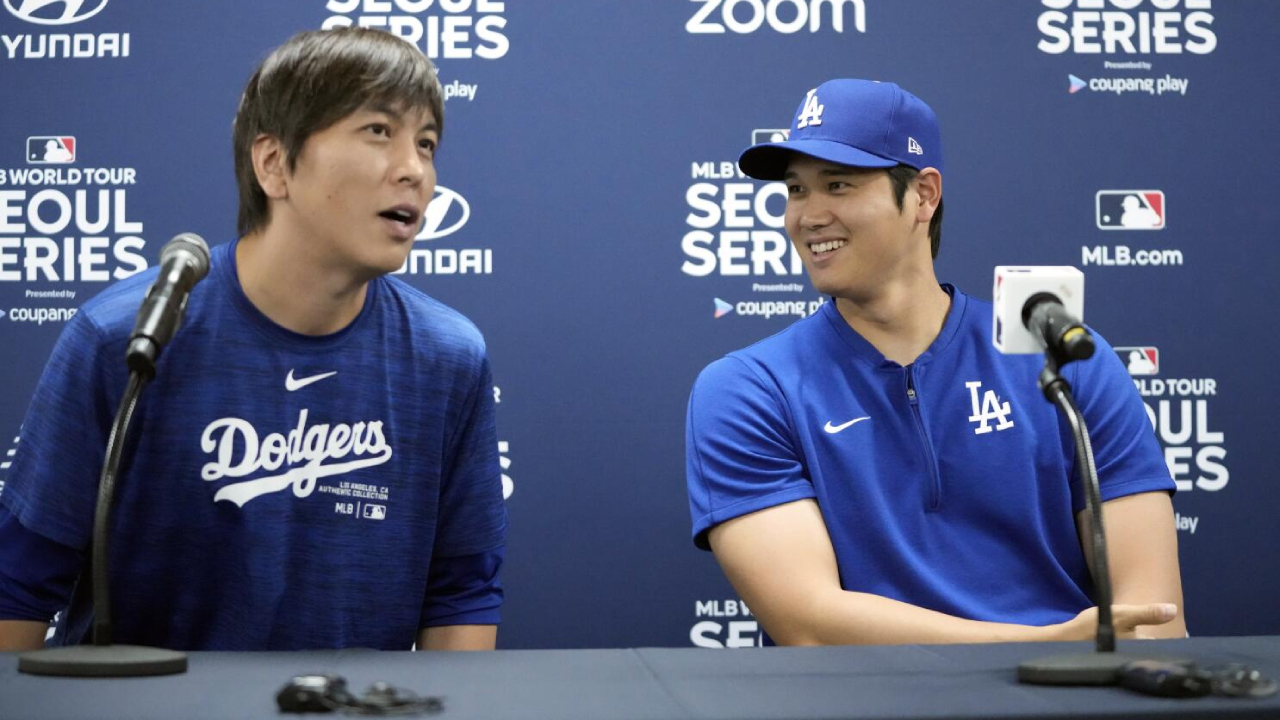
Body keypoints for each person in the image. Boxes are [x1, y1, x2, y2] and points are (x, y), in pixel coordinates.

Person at [0, 27, 507, 652]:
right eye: (379, 131)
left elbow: (462, 592)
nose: (415, 171)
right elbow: (18, 587)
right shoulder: (126, 339)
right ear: (273, 163)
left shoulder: (448, 358)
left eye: (426, 144)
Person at [684, 79, 1185, 645]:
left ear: (923, 195)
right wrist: (1037, 648)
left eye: (838, 184)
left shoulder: (1063, 359)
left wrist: (1058, 662)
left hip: (1065, 686)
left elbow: (1154, 621)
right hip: (870, 691)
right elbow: (809, 624)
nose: (808, 216)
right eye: (796, 190)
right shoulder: (748, 388)